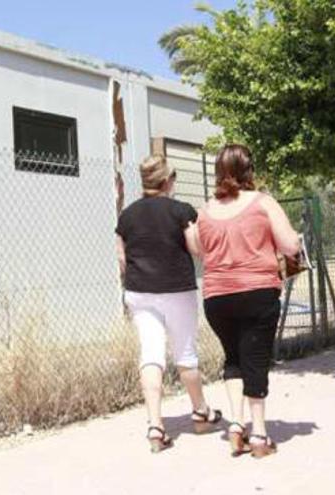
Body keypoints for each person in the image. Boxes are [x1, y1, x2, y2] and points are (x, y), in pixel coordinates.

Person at [192, 144, 300, 458]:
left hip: (217, 298)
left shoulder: (204, 211)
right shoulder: (263, 203)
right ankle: (260, 436)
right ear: (248, 169)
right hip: (257, 293)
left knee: (234, 359)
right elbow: (290, 244)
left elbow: (201, 250)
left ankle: (236, 426)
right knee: (255, 361)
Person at [115, 155, 222, 453]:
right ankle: (201, 413)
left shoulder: (127, 216)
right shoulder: (181, 211)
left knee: (150, 354)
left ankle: (155, 425)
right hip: (176, 289)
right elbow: (196, 249)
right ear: (167, 181)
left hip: (139, 291)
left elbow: (122, 260)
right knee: (185, 352)